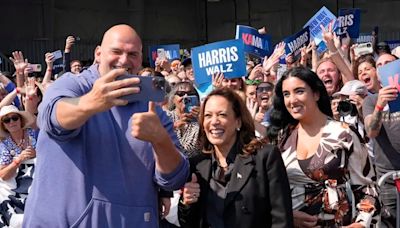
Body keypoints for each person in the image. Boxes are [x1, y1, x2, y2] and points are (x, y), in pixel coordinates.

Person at [23, 24, 189, 227]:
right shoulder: (72, 85)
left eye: (133, 54)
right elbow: (52, 118)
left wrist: (160, 140)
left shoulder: (151, 107)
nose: (124, 60)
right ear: (98, 54)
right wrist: (89, 103)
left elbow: (175, 178)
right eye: (116, 51)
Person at [268, 67, 378, 227]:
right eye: (286, 94)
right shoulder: (282, 137)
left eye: (299, 91)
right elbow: (271, 193)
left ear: (316, 94)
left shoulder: (343, 134)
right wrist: (287, 215)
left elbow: (368, 188)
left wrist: (361, 224)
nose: (292, 100)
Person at [178, 88, 293, 228]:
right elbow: (188, 223)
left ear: (238, 121)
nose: (214, 122)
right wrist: (187, 203)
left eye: (222, 115)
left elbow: (281, 219)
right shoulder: (197, 165)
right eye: (208, 115)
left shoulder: (265, 157)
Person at [362, 54, 400, 228]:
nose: (384, 67)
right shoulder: (370, 100)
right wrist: (380, 104)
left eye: (388, 63)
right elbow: (371, 131)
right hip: (388, 180)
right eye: (379, 65)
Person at [0, 105, 37, 228]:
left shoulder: (35, 134)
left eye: (14, 118)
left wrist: (37, 153)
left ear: (20, 120)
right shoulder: (4, 145)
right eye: (6, 120)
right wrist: (18, 160)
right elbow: (3, 175)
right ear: (3, 125)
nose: (11, 122)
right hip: (18, 187)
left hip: (40, 179)